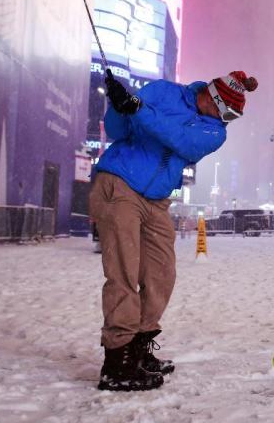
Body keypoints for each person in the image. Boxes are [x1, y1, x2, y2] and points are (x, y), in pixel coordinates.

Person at [90, 69, 258, 391]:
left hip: (156, 200)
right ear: (212, 95)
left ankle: (138, 348)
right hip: (120, 183)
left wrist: (139, 109)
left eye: (233, 117)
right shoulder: (165, 92)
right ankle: (117, 361)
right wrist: (119, 104)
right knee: (123, 272)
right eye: (227, 112)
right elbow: (117, 130)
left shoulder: (215, 132)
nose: (227, 121)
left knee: (161, 274)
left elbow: (179, 139)